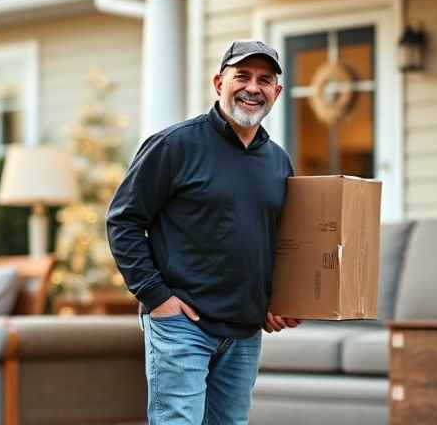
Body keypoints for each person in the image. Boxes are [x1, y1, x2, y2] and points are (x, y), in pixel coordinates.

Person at [106, 40, 301, 425]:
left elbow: (279, 242)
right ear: (218, 83)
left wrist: (278, 298)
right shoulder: (173, 146)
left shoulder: (278, 161)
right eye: (241, 76)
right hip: (182, 325)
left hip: (244, 332)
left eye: (264, 80)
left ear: (276, 93)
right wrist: (157, 297)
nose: (252, 88)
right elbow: (123, 221)